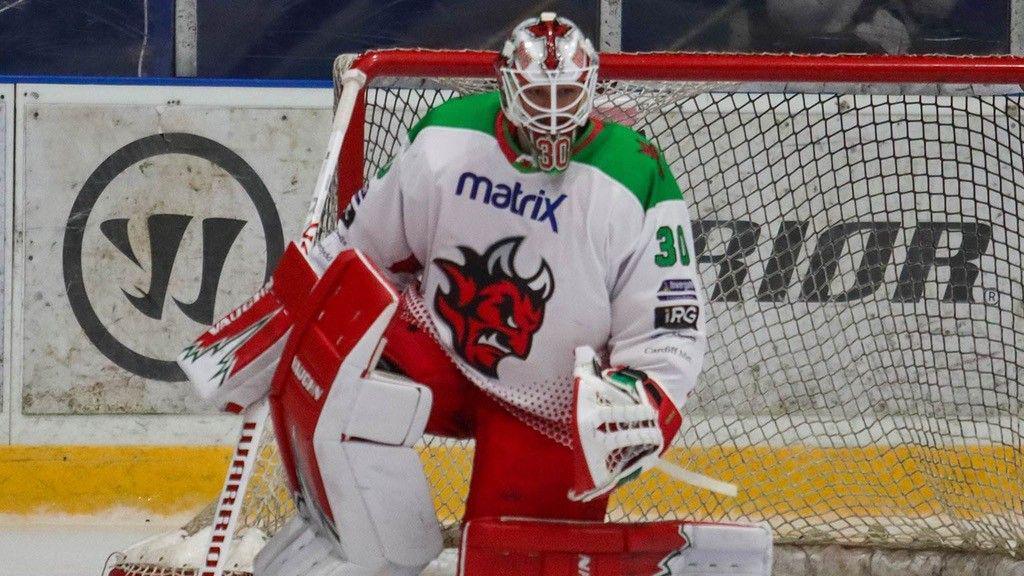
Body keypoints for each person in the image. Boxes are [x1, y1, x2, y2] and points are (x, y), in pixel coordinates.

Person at [198, 12, 771, 576]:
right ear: (506, 87)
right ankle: (356, 553)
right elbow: (361, 251)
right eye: (537, 101)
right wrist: (291, 313)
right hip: (438, 355)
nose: (551, 120)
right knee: (345, 360)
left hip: (547, 405)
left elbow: (668, 323)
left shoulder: (636, 175)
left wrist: (643, 396)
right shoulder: (450, 137)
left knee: (514, 561)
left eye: (566, 98)